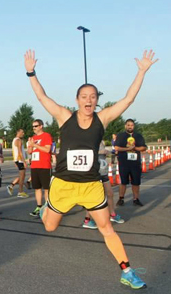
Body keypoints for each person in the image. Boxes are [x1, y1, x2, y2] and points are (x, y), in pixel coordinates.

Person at [24, 49, 157, 289]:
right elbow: (42, 97)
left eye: (93, 96)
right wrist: (31, 72)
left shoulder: (102, 118)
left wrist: (141, 72)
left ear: (97, 100)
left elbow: (127, 100)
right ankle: (46, 207)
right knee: (50, 226)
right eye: (84, 96)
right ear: (77, 100)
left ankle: (126, 270)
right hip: (63, 185)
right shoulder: (64, 117)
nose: (89, 100)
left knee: (106, 228)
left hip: (91, 186)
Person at [82, 140, 125, 229]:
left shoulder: (101, 141)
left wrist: (107, 152)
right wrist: (100, 151)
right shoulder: (89, 139)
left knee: (110, 193)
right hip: (93, 172)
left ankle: (112, 214)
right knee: (93, 197)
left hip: (103, 171)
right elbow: (85, 152)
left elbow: (105, 152)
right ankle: (87, 219)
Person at [115, 119, 147, 207]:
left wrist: (135, 148)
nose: (130, 127)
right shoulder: (121, 136)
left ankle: (136, 199)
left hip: (135, 163)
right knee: (123, 182)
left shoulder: (138, 136)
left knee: (136, 182)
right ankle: (121, 198)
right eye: (128, 125)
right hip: (124, 163)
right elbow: (117, 148)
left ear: (134, 126)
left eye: (132, 125)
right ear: (125, 126)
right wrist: (127, 149)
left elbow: (143, 147)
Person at [27, 119, 52, 217]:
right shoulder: (33, 137)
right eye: (33, 126)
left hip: (44, 166)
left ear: (41, 126)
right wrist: (30, 146)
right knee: (37, 188)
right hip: (35, 165)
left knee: (46, 188)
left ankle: (47, 208)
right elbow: (30, 151)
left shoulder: (46, 136)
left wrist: (35, 145)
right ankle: (39, 206)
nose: (34, 128)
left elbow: (47, 149)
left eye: (36, 126)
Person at [7, 129, 29, 198]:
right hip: (20, 160)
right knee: (22, 176)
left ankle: (11, 186)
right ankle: (20, 191)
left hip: (18, 160)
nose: (23, 133)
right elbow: (20, 152)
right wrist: (24, 161)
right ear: (18, 132)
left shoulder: (15, 140)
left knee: (22, 175)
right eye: (22, 132)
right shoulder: (18, 140)